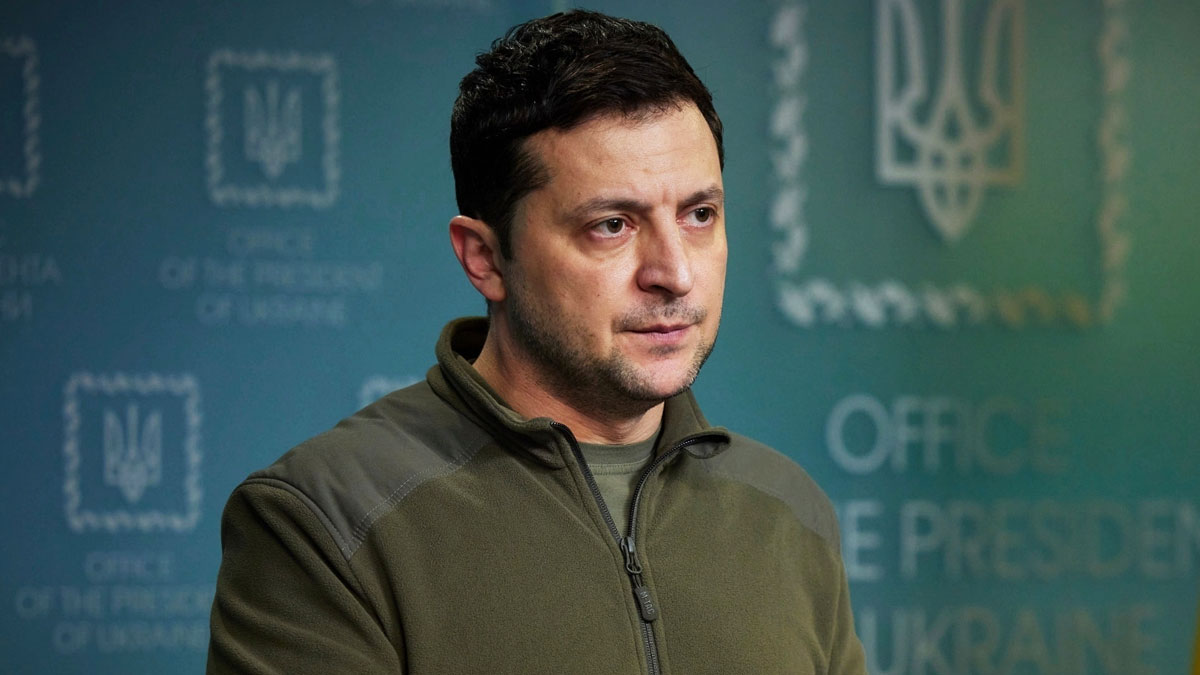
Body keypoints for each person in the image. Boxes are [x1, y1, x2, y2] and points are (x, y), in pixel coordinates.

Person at [208, 10, 866, 674]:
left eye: (699, 215)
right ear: (485, 258)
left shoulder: (789, 511)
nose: (675, 273)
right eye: (612, 225)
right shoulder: (324, 521)